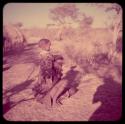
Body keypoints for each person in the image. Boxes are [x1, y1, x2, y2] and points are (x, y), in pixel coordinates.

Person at [32, 38, 64, 106]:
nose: (50, 47)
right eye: (49, 45)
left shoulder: (43, 53)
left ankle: (48, 97)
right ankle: (50, 99)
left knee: (46, 85)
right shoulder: (46, 55)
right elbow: (48, 66)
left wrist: (55, 57)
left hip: (44, 73)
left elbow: (50, 59)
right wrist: (56, 71)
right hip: (48, 74)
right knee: (51, 86)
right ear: (44, 46)